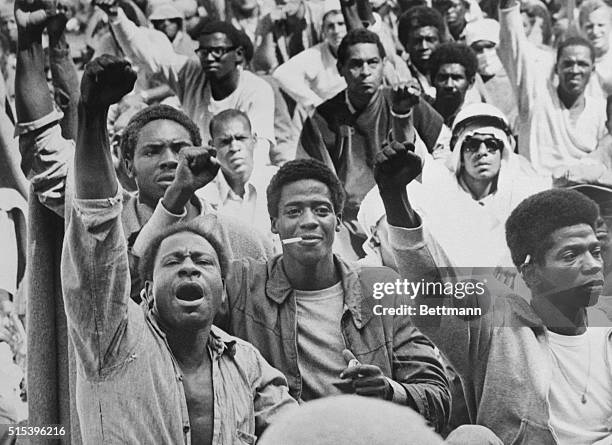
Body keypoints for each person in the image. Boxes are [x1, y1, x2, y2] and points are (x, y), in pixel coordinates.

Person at [62, 56, 297, 444]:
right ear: (147, 287)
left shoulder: (245, 362)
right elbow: (96, 224)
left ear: (224, 288)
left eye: (203, 261)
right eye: (172, 260)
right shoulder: (117, 337)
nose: (189, 268)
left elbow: (302, 428)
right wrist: (91, 115)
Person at [134, 157, 451, 432]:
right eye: (294, 211)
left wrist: (387, 391)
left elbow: (437, 395)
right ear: (274, 224)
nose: (309, 221)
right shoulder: (241, 282)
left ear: (338, 221)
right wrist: (176, 198)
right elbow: (143, 295)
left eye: (321, 210)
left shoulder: (382, 288)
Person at [374, 141, 612, 444]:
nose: (592, 265)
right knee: (470, 438)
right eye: (570, 255)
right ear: (530, 272)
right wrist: (395, 198)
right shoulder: (497, 331)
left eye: (595, 251)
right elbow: (433, 289)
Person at [297, 28, 444, 259]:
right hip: (350, 226)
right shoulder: (322, 119)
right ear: (340, 69)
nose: (365, 72)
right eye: (356, 64)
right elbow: (316, 185)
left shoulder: (403, 100)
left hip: (410, 212)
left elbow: (443, 153)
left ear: (384, 64)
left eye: (372, 62)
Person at [100, 0, 284, 166]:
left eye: (218, 51)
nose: (209, 58)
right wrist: (116, 16)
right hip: (197, 174)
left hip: (241, 174)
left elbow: (258, 152)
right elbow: (146, 56)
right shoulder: (193, 72)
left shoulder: (257, 90)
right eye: (203, 52)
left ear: (239, 54)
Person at [499, 0, 608, 176]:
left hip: (584, 193)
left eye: (582, 64)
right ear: (556, 68)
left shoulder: (600, 111)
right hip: (539, 191)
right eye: (567, 64)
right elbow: (514, 46)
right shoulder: (535, 99)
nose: (575, 70)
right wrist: (509, 7)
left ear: (592, 69)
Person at [195, 109, 280, 250]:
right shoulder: (202, 194)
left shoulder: (278, 181)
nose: (234, 147)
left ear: (254, 140)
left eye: (240, 138)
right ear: (212, 146)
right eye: (225, 142)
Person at [272, 7, 347, 116]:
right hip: (330, 115)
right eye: (330, 26)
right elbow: (281, 74)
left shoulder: (360, 49)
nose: (336, 30)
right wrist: (316, 103)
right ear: (324, 31)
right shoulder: (317, 53)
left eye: (341, 24)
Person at [428, 42, 478, 126]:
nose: (449, 85)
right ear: (433, 80)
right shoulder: (423, 117)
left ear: (471, 82)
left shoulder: (475, 118)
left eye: (456, 78)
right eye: (443, 77)